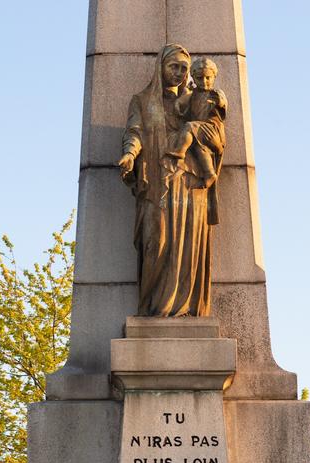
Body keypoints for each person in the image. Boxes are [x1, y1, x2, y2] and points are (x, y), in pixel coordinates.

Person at [117, 44, 222, 318]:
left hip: (189, 182)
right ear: (160, 68)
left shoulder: (196, 101)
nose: (178, 73)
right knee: (157, 242)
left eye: (183, 68)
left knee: (187, 247)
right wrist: (129, 154)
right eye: (173, 66)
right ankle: (154, 309)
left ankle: (186, 308)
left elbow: (217, 135)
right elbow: (135, 132)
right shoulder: (142, 101)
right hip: (155, 183)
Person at [166, 57, 227, 190]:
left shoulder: (214, 94)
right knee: (200, 149)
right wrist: (178, 103)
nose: (204, 82)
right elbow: (181, 103)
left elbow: (222, 104)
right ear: (193, 77)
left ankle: (180, 152)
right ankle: (209, 174)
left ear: (214, 77)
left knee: (189, 127)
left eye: (208, 78)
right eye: (199, 78)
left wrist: (219, 102)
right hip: (199, 132)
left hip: (212, 129)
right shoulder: (193, 95)